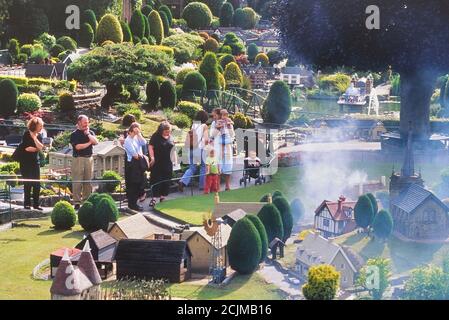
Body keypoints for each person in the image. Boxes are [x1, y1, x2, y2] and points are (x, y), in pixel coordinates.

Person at [70, 115, 98, 210]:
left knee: (88, 181)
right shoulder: (74, 134)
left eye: (87, 122)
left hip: (89, 158)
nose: (87, 124)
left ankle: (86, 201)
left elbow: (96, 142)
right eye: (85, 122)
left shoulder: (90, 132)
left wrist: (88, 135)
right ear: (79, 123)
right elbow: (78, 147)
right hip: (78, 159)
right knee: (77, 181)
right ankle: (77, 202)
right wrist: (90, 143)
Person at [178, 110, 209, 192]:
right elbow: (206, 140)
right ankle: (202, 186)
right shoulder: (204, 126)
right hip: (200, 149)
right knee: (203, 167)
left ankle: (182, 181)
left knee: (192, 167)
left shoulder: (193, 125)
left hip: (191, 148)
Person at [18, 117, 45, 210]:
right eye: (40, 126)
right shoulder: (26, 134)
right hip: (26, 162)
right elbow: (27, 148)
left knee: (37, 184)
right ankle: (27, 204)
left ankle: (36, 205)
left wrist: (34, 138)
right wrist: (36, 148)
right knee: (28, 183)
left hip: (35, 162)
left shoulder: (39, 136)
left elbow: (40, 147)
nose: (42, 127)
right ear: (35, 125)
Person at [149, 121, 176, 206]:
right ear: (161, 130)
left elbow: (173, 148)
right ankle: (154, 199)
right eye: (166, 131)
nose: (168, 132)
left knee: (166, 180)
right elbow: (150, 147)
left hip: (168, 163)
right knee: (156, 180)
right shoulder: (155, 137)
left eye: (169, 131)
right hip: (157, 163)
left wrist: (175, 159)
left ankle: (163, 197)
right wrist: (152, 157)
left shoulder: (171, 137)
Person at [124, 122, 148, 211]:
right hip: (132, 165)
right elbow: (135, 155)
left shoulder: (136, 137)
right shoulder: (128, 140)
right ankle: (132, 205)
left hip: (138, 164)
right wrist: (141, 156)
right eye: (135, 131)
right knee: (133, 185)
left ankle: (135, 202)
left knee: (139, 183)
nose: (136, 132)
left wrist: (139, 134)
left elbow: (144, 142)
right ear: (131, 131)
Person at [215, 109, 235, 191]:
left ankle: (227, 185)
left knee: (228, 165)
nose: (224, 116)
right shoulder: (216, 122)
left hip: (227, 147)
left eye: (225, 114)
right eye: (222, 114)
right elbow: (212, 135)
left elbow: (232, 135)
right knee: (219, 166)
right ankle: (218, 186)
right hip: (219, 147)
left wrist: (229, 126)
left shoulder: (229, 123)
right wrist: (218, 128)